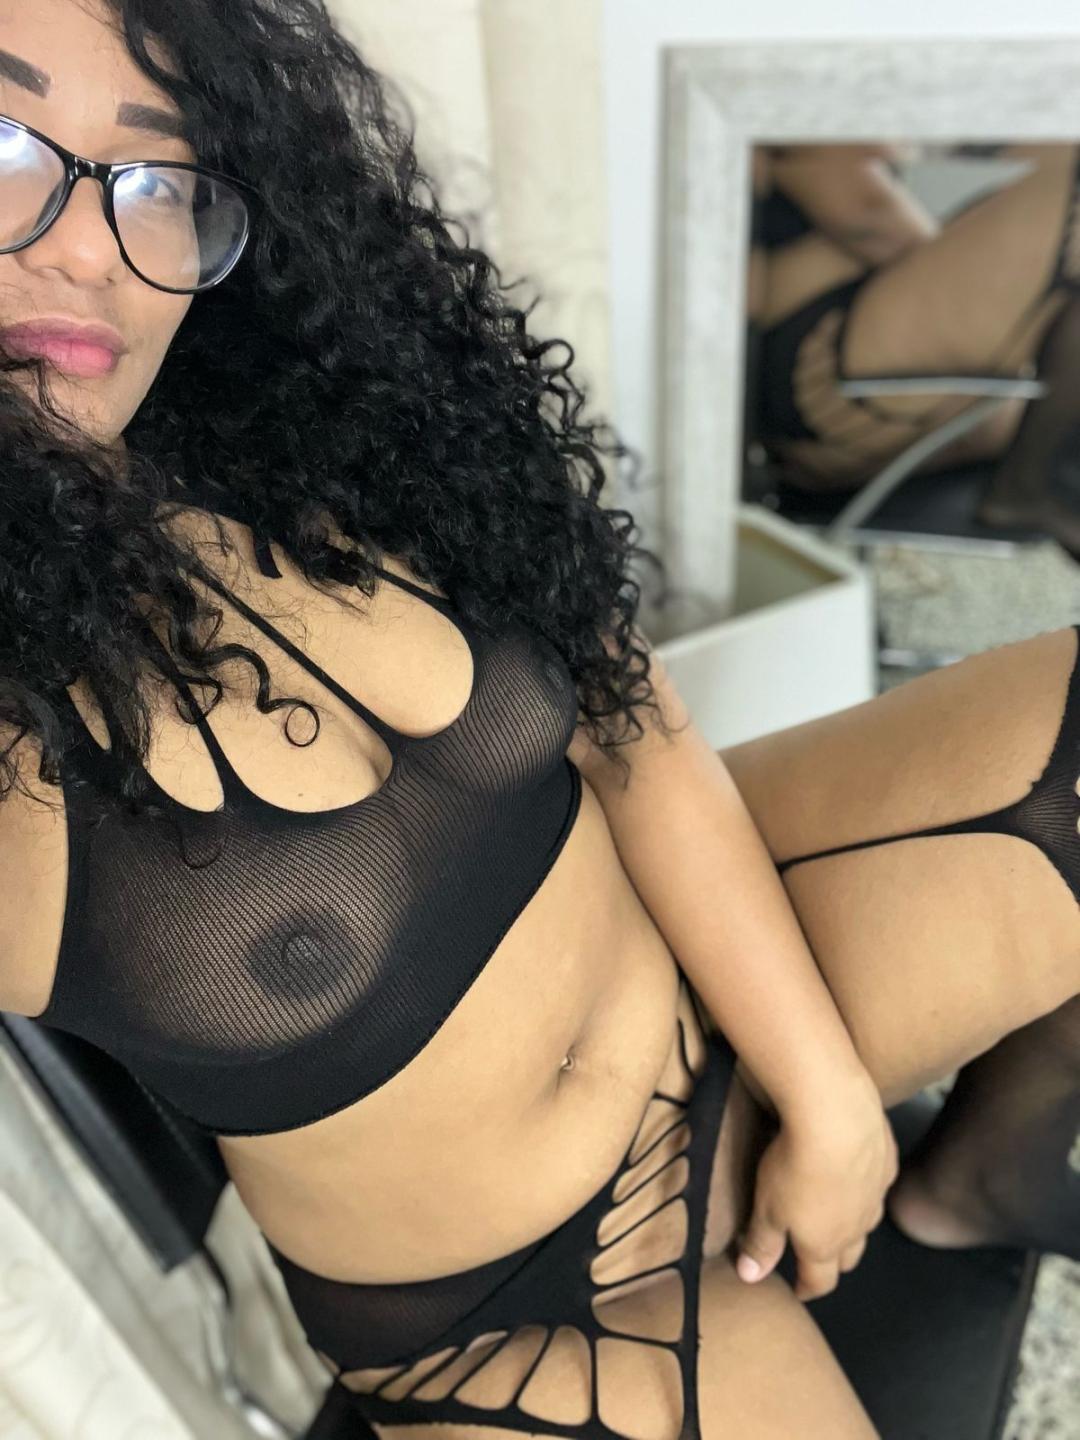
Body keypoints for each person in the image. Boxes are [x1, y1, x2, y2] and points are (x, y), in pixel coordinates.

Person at [0, 5, 1075, 1437]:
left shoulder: (309, 433)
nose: (89, 248)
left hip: (717, 995)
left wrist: (829, 1109)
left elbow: (638, 735)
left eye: (158, 180)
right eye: (3, 144)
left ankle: (977, 1180)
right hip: (517, 1323)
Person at [749, 142, 1080, 556]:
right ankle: (1042, 481)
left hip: (856, 391)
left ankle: (1050, 477)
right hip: (823, 390)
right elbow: (864, 217)